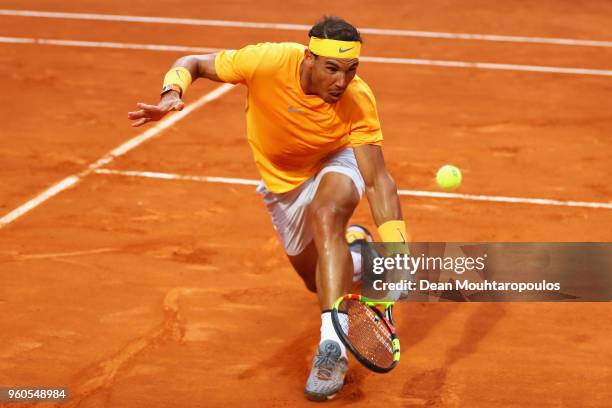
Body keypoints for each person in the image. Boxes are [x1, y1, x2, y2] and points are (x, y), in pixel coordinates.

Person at [128, 15, 407, 401]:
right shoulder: (267, 61)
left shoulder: (358, 99)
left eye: (350, 70)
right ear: (309, 58)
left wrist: (400, 247)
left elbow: (377, 180)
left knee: (327, 214)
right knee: (316, 282)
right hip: (282, 184)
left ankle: (332, 351)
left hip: (335, 160)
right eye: (332, 69)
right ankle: (360, 256)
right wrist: (171, 92)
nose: (341, 82)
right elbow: (192, 62)